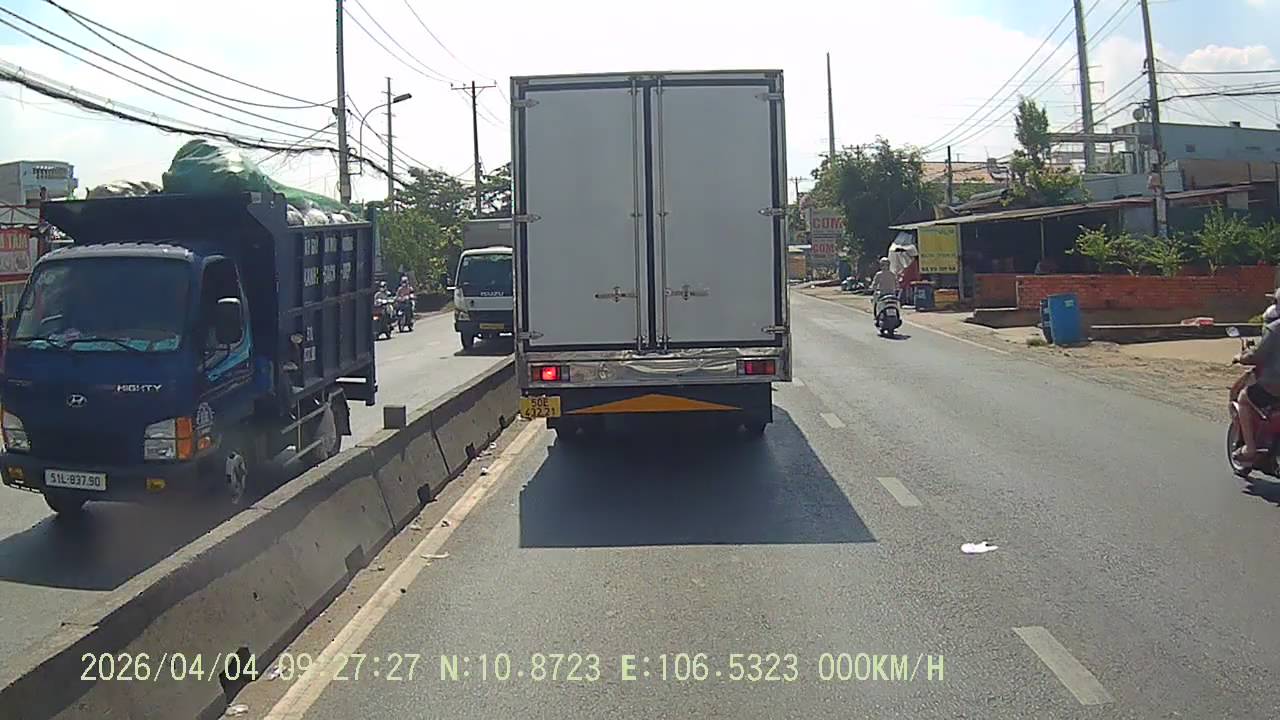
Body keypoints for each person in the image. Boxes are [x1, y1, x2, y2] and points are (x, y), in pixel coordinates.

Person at [1232, 311, 1280, 467]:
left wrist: (1240, 357)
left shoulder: (1275, 329)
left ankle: (1250, 449)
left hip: (1274, 386)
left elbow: (1256, 356)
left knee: (1244, 398)